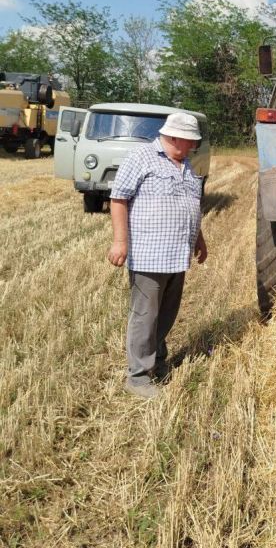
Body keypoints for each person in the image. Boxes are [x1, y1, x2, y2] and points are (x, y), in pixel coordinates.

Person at [107, 112, 208, 399]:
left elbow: (192, 206)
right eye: (190, 141)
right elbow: (118, 198)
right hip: (150, 255)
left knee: (166, 313)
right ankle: (138, 377)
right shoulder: (141, 157)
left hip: (178, 255)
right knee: (145, 316)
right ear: (174, 136)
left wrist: (199, 239)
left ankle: (158, 361)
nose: (193, 146)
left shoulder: (187, 165)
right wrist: (119, 241)